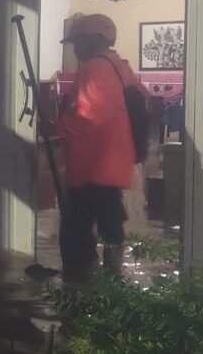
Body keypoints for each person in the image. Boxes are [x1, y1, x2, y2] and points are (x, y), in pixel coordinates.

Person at [53, 14, 142, 281]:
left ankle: (81, 283)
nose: (75, 50)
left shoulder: (94, 69)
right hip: (112, 163)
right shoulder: (119, 66)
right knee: (110, 222)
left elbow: (87, 116)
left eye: (77, 43)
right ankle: (113, 277)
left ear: (93, 41)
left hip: (92, 165)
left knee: (77, 228)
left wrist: (56, 130)